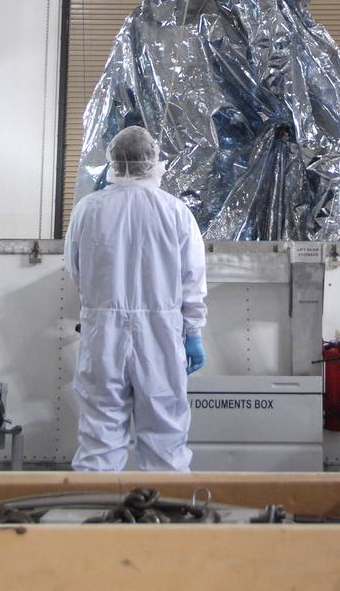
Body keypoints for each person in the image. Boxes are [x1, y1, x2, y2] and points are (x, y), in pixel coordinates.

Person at [64, 125, 207, 471]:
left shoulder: (88, 209)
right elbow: (192, 278)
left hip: (102, 332)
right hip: (160, 333)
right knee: (165, 437)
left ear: (114, 161)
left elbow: (76, 270)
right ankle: (163, 506)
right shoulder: (175, 211)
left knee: (99, 436)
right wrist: (193, 332)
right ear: (152, 161)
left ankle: (96, 503)